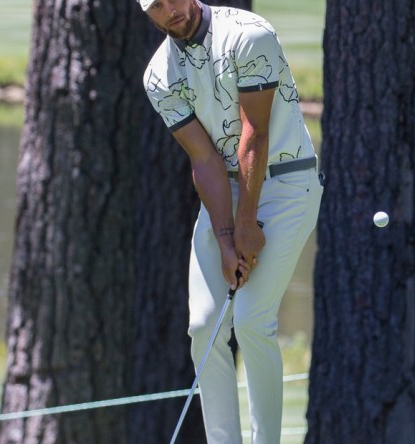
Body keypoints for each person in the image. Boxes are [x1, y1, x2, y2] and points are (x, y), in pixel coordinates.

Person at [138, 0, 323, 442]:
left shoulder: (249, 34)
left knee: (253, 320)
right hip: (228, 191)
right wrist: (226, 237)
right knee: (204, 325)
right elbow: (205, 160)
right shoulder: (159, 75)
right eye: (155, 7)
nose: (168, 12)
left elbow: (253, 133)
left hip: (287, 183)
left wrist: (247, 224)